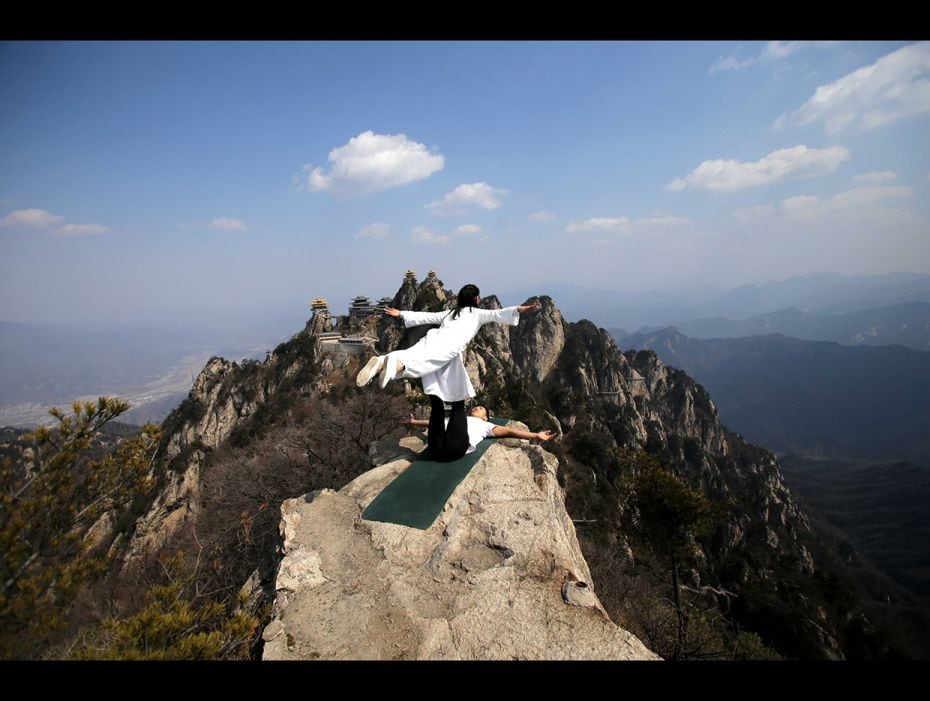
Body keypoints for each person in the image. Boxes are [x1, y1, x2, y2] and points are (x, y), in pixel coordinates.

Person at [356, 284, 540, 401]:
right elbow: (499, 313)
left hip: (434, 337)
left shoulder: (450, 312)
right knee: (423, 363)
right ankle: (392, 368)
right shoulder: (479, 314)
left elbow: (426, 317)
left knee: (413, 353)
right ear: (476, 299)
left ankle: (381, 362)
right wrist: (523, 309)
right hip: (450, 346)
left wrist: (402, 313)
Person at [400, 401, 556, 462]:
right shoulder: (458, 421)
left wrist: (535, 435)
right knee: (438, 414)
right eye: (475, 407)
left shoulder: (486, 426)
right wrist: (413, 422)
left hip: (455, 450)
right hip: (436, 449)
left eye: (480, 409)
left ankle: (454, 393)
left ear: (486, 417)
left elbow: (509, 431)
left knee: (457, 407)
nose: (476, 408)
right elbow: (432, 424)